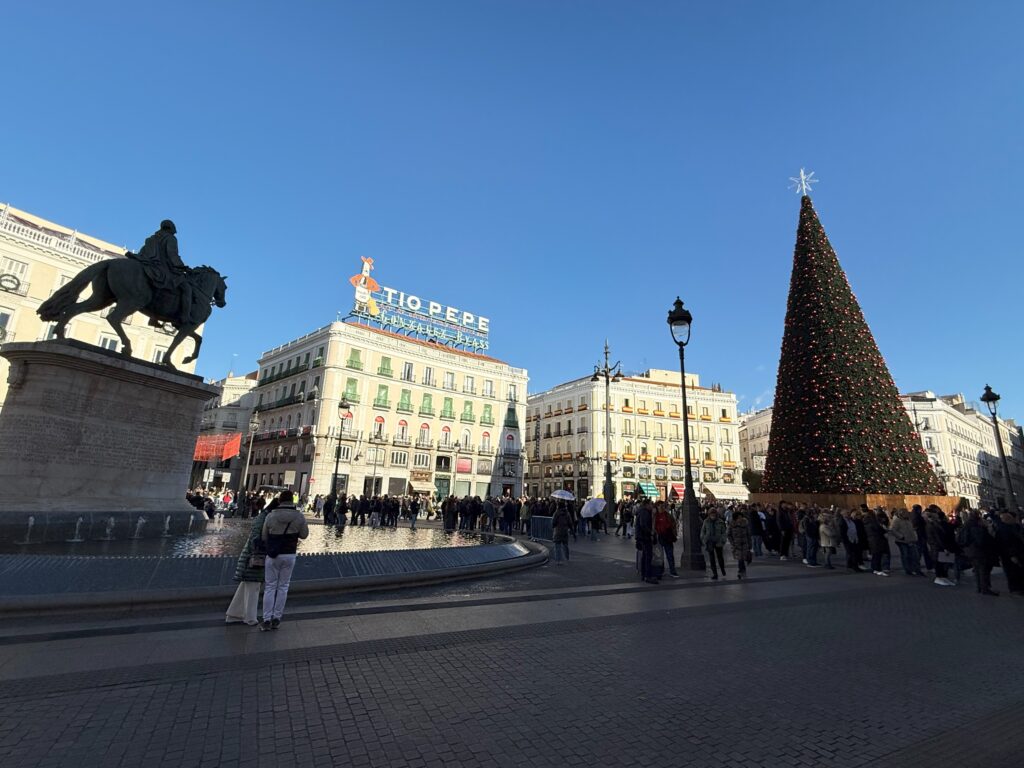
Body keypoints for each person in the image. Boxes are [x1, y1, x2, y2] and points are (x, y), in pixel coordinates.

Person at [127, 219, 195, 327]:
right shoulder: (170, 238)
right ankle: (185, 317)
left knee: (158, 286)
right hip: (161, 267)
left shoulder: (152, 238)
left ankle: (153, 317)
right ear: (171, 229)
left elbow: (142, 252)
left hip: (148, 265)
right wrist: (183, 267)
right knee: (186, 288)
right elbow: (172, 255)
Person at [260, 490, 310, 630]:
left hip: (273, 554)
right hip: (289, 554)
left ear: (280, 500)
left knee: (270, 587)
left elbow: (264, 536)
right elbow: (304, 535)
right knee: (283, 586)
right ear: (292, 501)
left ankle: (266, 619)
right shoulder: (299, 516)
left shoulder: (271, 515)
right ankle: (277, 617)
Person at [225, 500, 274, 626]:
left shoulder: (263, 516)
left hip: (250, 555)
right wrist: (258, 551)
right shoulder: (264, 518)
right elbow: (256, 538)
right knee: (254, 587)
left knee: (246, 586)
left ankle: (234, 614)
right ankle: (250, 618)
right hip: (254, 557)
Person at [961, 510, 998, 596]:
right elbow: (981, 540)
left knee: (977, 570)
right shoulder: (976, 526)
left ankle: (979, 588)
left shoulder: (967, 525)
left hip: (971, 551)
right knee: (983, 570)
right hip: (979, 551)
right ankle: (985, 588)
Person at [994, 512, 1024, 596]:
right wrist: (1012, 555)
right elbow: (1007, 543)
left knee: (1015, 571)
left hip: (1010, 554)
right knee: (1013, 571)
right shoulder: (1005, 530)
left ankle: (1016, 587)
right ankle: (1016, 588)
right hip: (1009, 555)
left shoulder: (1005, 528)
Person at [890, 509, 924, 576]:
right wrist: (901, 536)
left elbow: (912, 529)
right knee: (905, 556)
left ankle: (917, 569)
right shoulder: (897, 521)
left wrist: (915, 537)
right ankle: (908, 570)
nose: (907, 514)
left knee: (915, 556)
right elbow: (893, 530)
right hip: (902, 541)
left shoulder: (909, 520)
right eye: (905, 513)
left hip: (911, 540)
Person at [700, 507, 727, 580]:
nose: (713, 515)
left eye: (714, 514)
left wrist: (723, 540)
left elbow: (724, 532)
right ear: (709, 514)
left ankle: (722, 568)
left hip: (718, 541)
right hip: (710, 542)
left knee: (720, 557)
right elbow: (703, 531)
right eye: (711, 514)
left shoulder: (720, 522)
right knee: (712, 559)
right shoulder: (706, 521)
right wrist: (704, 539)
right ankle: (715, 573)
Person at [634, 499, 657, 583]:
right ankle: (648, 575)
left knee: (645, 556)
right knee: (648, 556)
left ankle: (644, 575)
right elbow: (643, 525)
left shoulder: (642, 511)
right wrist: (650, 532)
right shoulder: (644, 512)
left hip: (642, 536)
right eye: (651, 504)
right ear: (646, 505)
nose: (652, 506)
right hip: (645, 537)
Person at [654, 502, 679, 578]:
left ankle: (672, 571)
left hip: (667, 537)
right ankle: (662, 571)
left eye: (663, 506)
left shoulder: (667, 515)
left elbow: (673, 523)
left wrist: (673, 532)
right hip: (660, 536)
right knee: (660, 556)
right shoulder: (656, 516)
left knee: (669, 555)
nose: (662, 507)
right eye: (660, 506)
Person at [727, 510, 752, 580]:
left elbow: (748, 534)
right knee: (740, 558)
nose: (740, 519)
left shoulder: (745, 524)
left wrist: (750, 544)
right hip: (736, 544)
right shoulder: (732, 525)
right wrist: (732, 542)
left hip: (745, 543)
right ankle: (740, 571)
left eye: (741, 517)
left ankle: (742, 569)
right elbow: (729, 534)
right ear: (735, 518)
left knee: (743, 558)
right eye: (738, 517)